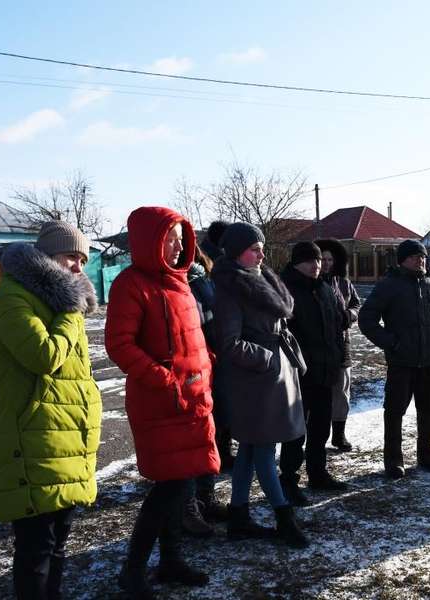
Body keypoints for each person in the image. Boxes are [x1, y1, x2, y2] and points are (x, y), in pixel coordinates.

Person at [105, 207, 219, 599]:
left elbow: (190, 338)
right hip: (160, 403)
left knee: (183, 485)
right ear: (147, 242)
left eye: (179, 238)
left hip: (192, 399)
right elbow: (120, 345)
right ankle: (132, 569)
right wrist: (163, 379)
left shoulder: (180, 282)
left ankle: (171, 560)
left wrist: (206, 365)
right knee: (167, 488)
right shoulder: (131, 284)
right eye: (168, 238)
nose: (176, 246)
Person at [0, 220, 101, 600]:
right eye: (71, 256)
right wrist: (70, 313)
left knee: (58, 546)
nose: (79, 267)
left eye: (83, 259)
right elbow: (44, 356)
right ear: (46, 256)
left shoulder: (59, 301)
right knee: (36, 550)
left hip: (66, 440)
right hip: (32, 440)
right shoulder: (12, 298)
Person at [211, 222, 309, 548]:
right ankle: (284, 517)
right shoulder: (230, 287)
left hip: (272, 378)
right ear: (238, 252)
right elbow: (229, 343)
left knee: (251, 451)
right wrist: (267, 359)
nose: (261, 254)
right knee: (265, 451)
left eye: (261, 247)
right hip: (255, 383)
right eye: (254, 249)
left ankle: (238, 515)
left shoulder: (260, 277)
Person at [358, 239, 430, 479]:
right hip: (402, 362)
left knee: (429, 408)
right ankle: (393, 458)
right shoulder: (389, 286)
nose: (419, 260)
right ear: (402, 260)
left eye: (422, 256)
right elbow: (367, 319)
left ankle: (426, 452)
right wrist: (392, 343)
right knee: (394, 411)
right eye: (413, 257)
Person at [280, 242, 348, 504]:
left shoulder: (325, 288)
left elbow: (337, 327)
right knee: (295, 431)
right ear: (296, 262)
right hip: (298, 375)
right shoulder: (286, 290)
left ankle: (318, 473)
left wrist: (338, 356)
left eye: (318, 260)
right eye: (309, 261)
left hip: (326, 371)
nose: (315, 265)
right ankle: (289, 481)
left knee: (320, 427)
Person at [181, 244, 230, 537]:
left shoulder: (202, 282)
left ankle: (206, 497)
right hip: (185, 373)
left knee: (210, 433)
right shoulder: (170, 285)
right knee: (187, 440)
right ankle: (188, 508)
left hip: (212, 365)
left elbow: (216, 320)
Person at [316, 238, 361, 453]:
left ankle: (339, 434)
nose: (326, 263)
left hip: (343, 344)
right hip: (318, 347)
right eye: (322, 259)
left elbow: (355, 303)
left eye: (329, 259)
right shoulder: (311, 283)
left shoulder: (343, 282)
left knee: (342, 391)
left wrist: (349, 315)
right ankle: (316, 436)